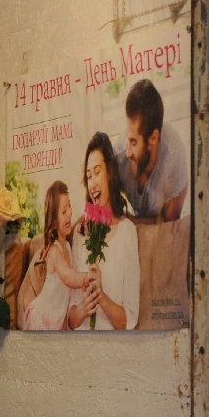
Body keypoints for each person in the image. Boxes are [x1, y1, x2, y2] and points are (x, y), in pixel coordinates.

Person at [70, 132, 141, 331]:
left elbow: (128, 321)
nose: (92, 183)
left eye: (97, 172)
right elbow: (71, 319)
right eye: (88, 176)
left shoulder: (128, 232)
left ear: (110, 173)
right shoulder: (80, 233)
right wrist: (83, 309)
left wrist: (100, 296)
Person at [117, 79, 188, 222]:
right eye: (127, 139)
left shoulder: (175, 157)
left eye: (134, 142)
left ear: (153, 138)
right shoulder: (118, 155)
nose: (128, 152)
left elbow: (169, 222)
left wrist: (133, 222)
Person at [20, 181, 88, 330]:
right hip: (41, 319)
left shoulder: (68, 247)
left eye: (69, 206)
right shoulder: (54, 250)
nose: (69, 213)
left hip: (56, 322)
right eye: (64, 211)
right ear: (54, 221)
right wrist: (88, 277)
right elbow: (68, 277)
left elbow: (66, 297)